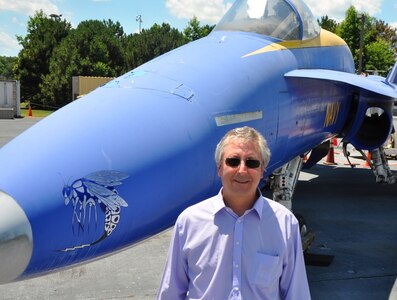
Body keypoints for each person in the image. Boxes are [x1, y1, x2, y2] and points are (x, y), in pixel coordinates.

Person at [157, 126, 310, 300]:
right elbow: (170, 292)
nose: (242, 170)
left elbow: (296, 293)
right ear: (219, 168)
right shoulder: (189, 222)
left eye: (252, 162)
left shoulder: (285, 224)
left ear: (262, 170)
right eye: (233, 161)